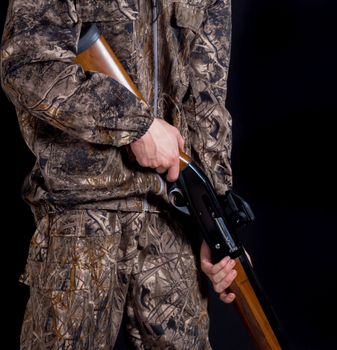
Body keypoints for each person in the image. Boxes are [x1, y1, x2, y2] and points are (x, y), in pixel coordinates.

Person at [1, 0, 239, 348]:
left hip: (173, 228)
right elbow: (28, 64)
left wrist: (216, 220)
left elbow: (208, 101)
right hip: (81, 225)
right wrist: (137, 126)